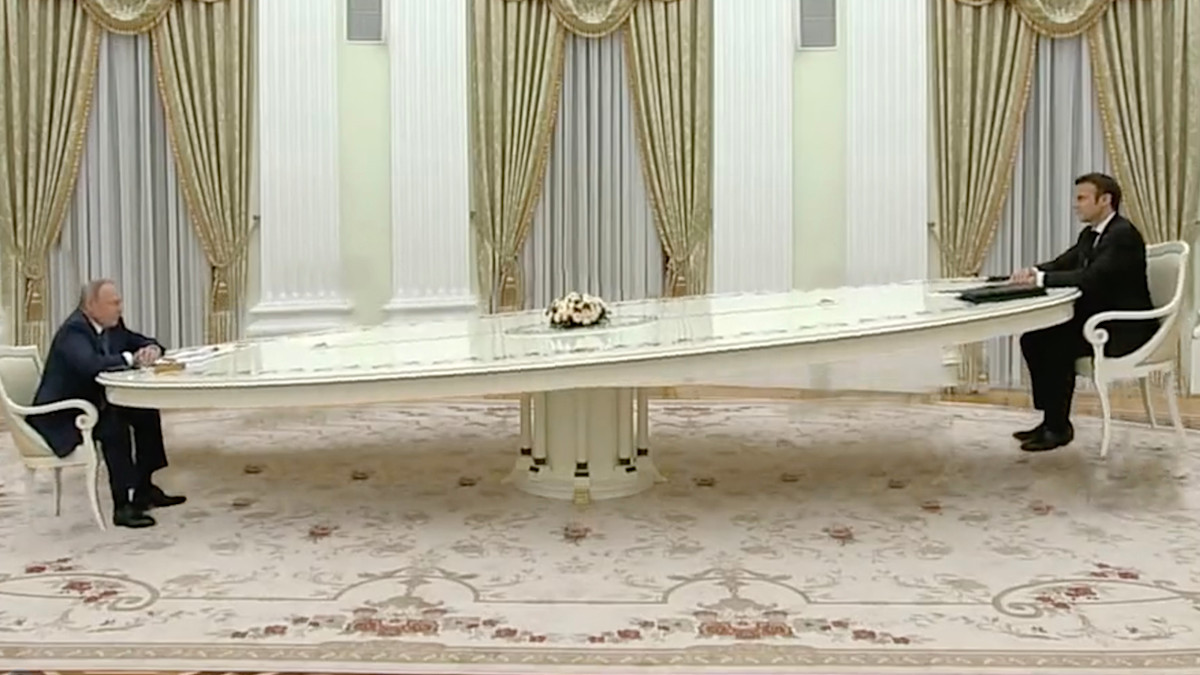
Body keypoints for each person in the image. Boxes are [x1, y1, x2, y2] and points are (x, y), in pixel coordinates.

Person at [1009, 173, 1157, 452]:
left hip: (1125, 329)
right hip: (1100, 322)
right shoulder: (1090, 235)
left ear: (1105, 200)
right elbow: (1062, 264)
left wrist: (1040, 281)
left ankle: (1057, 428)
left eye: (1081, 198)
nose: (1075, 204)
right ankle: (1052, 420)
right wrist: (1033, 271)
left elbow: (1092, 279)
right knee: (1034, 338)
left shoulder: (1122, 235)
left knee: (1054, 343)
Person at [27, 279, 185, 528]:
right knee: (114, 426)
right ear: (91, 305)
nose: (120, 308)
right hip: (64, 414)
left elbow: (139, 340)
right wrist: (131, 359)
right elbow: (90, 364)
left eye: (119, 302)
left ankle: (144, 489)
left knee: (145, 410)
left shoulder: (112, 325)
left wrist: (151, 349)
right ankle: (122, 506)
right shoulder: (74, 331)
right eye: (113, 303)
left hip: (93, 403)